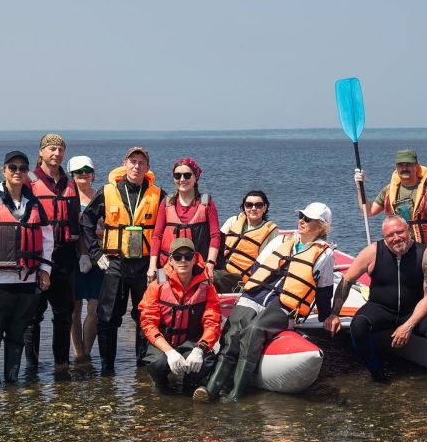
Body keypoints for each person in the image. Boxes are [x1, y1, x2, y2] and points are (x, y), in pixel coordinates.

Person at [194, 202, 337, 403]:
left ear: (322, 227)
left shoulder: (325, 255)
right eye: (301, 216)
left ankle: (235, 394)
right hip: (255, 295)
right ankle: (211, 389)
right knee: (233, 332)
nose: (301, 221)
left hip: (283, 305)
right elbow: (257, 269)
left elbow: (324, 292)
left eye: (308, 219)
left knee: (254, 330)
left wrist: (328, 316)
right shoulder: (281, 241)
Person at [328, 216, 427, 388]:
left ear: (408, 230)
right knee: (358, 325)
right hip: (380, 307)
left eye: (400, 232)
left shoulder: (425, 254)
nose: (396, 238)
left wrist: (408, 326)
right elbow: (347, 280)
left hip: (413, 310)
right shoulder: (373, 252)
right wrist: (334, 314)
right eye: (390, 235)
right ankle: (377, 373)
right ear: (384, 237)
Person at [0, 150, 54, 385]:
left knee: (17, 335)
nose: (17, 172)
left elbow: (47, 239)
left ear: (28, 172)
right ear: (4, 170)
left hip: (27, 281)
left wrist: (45, 271)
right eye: (12, 167)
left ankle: (12, 382)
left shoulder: (34, 203)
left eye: (22, 168)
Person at [81, 146, 165, 371]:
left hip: (145, 265)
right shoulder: (108, 191)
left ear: (148, 167)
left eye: (141, 162)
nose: (137, 166)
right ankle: (107, 368)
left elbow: (170, 225)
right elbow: (87, 221)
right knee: (107, 317)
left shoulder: (158, 195)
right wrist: (95, 253)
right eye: (133, 161)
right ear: (124, 164)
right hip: (115, 263)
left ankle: (142, 366)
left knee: (145, 315)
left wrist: (164, 263)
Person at [25, 133, 80, 373]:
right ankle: (31, 367)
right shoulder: (28, 181)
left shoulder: (69, 184)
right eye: (51, 149)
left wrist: (84, 254)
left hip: (65, 257)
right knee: (33, 316)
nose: (56, 153)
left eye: (60, 149)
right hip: (37, 256)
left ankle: (61, 365)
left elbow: (76, 220)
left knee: (64, 314)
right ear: (41, 152)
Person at [138, 237, 221, 394]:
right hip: (164, 341)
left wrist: (200, 348)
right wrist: (169, 351)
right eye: (177, 257)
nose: (183, 261)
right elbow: (148, 323)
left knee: (205, 362)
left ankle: (191, 386)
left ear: (195, 258)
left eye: (188, 257)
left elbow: (213, 322)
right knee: (158, 363)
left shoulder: (207, 286)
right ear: (170, 260)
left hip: (191, 342)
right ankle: (162, 385)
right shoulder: (158, 284)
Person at [356, 149, 427, 254]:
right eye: (400, 165)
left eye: (408, 165)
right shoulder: (388, 191)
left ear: (416, 166)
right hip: (398, 252)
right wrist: (359, 187)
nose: (404, 168)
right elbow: (368, 211)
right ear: (396, 168)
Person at [147, 158, 221, 280]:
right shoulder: (166, 202)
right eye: (177, 175)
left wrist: (210, 264)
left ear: (195, 177)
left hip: (198, 266)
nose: (182, 179)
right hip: (167, 265)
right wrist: (152, 266)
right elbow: (157, 236)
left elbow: (215, 235)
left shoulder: (206, 202)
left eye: (187, 175)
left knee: (199, 298)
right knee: (162, 296)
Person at [68, 155, 102, 362]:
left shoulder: (101, 196)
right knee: (75, 307)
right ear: (72, 175)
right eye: (79, 171)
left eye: (87, 171)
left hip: (97, 258)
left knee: (95, 306)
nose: (84, 174)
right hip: (72, 259)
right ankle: (77, 352)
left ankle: (87, 353)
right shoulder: (67, 198)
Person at [212, 190, 278, 293]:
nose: (253, 208)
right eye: (249, 205)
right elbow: (216, 244)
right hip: (221, 269)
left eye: (258, 205)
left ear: (265, 208)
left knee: (215, 277)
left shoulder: (270, 231)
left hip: (240, 279)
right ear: (244, 207)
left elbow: (266, 262)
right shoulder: (233, 221)